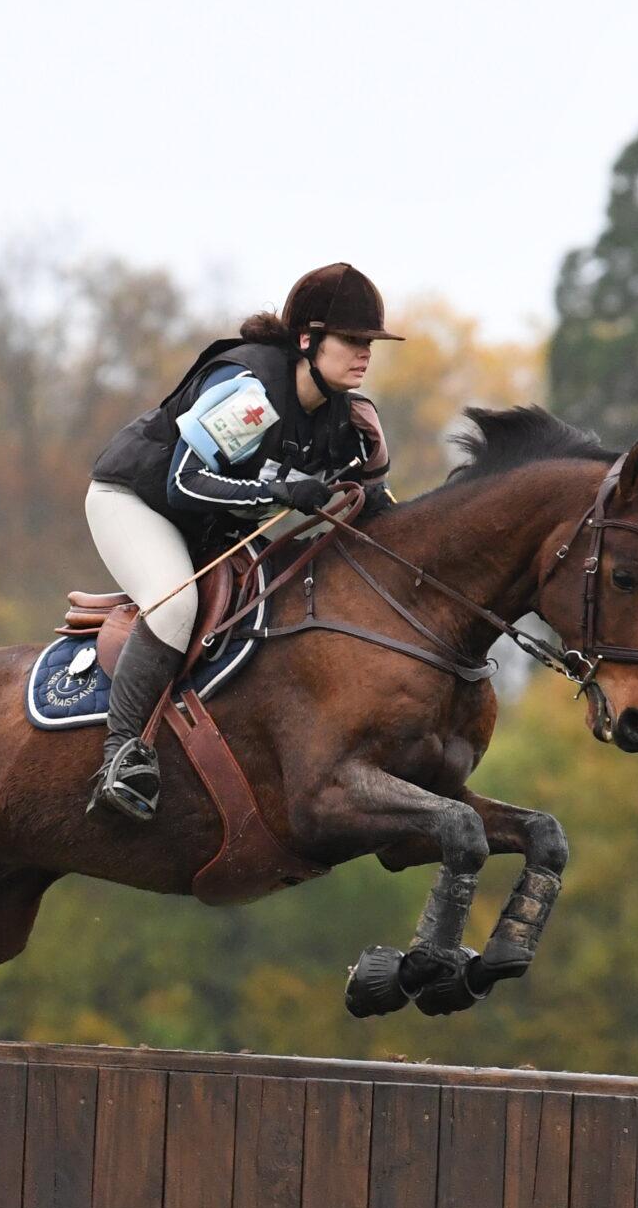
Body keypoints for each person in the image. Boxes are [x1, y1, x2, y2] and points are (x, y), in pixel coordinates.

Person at [80, 262, 401, 822]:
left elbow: (374, 508)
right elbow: (183, 483)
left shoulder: (348, 420)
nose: (364, 354)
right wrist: (279, 490)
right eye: (352, 340)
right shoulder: (253, 394)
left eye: (369, 343)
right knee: (175, 604)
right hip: (137, 504)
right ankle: (121, 755)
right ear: (307, 340)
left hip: (213, 527)